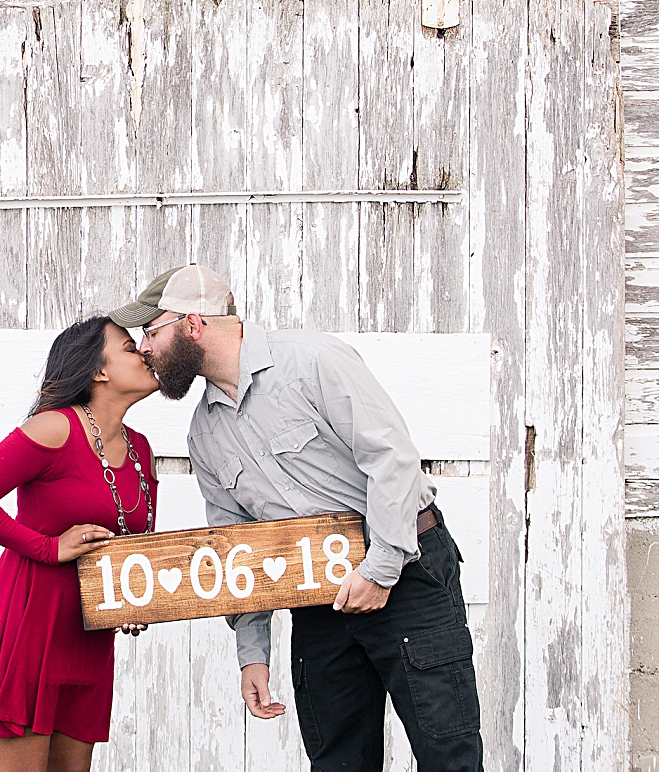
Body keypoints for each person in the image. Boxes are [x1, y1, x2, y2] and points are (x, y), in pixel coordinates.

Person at [108, 265, 483, 772]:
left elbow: (392, 459)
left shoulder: (313, 360)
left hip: (407, 576)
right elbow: (237, 548)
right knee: (338, 765)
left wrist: (380, 568)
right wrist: (253, 654)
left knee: (449, 760)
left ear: (193, 324)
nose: (146, 349)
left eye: (151, 333)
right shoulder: (206, 432)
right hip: (314, 600)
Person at [0, 316, 160, 772]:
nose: (143, 352)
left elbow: (136, 546)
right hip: (29, 627)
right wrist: (47, 547)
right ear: (98, 371)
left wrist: (134, 602)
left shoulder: (141, 449)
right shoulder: (54, 428)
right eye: (127, 347)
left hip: (89, 639)